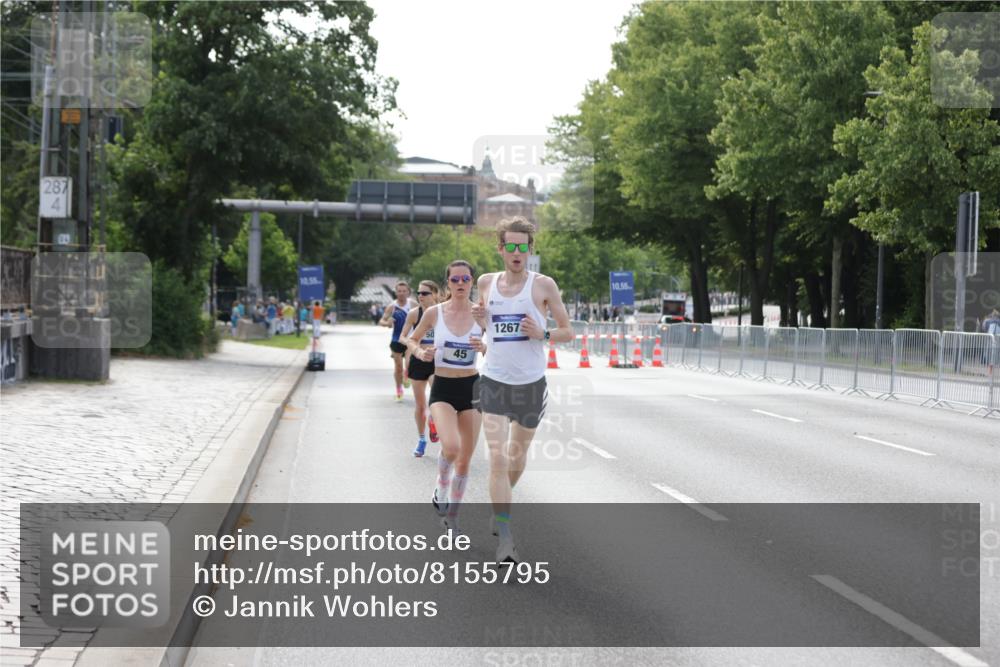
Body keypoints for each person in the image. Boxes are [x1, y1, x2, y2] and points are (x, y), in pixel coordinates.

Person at [472, 217, 572, 563]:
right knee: (497, 459)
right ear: (500, 249)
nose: (517, 252)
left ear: (530, 248)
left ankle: (503, 500)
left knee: (516, 456)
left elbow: (567, 331)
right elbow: (488, 328)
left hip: (530, 383)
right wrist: (481, 318)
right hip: (494, 380)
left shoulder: (544, 285)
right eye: (510, 246)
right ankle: (505, 538)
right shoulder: (486, 283)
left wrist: (541, 333)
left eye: (522, 246)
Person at [405, 261, 485, 534]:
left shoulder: (482, 314)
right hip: (443, 388)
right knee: (451, 448)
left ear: (472, 281)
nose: (460, 283)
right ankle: (441, 485)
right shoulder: (435, 313)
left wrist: (484, 346)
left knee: (465, 460)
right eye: (455, 280)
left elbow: (497, 347)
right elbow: (411, 340)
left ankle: (452, 518)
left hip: (472, 388)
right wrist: (420, 353)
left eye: (465, 278)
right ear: (448, 283)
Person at [399, 280, 442, 457]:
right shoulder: (413, 314)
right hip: (418, 358)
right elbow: (402, 337)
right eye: (419, 293)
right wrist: (413, 345)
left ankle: (434, 419)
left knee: (436, 398)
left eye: (425, 293)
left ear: (435, 294)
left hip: (436, 359)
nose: (420, 296)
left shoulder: (442, 312)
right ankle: (422, 438)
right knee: (419, 404)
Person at [379, 281, 416, 401]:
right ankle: (399, 389)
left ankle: (407, 375)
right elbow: (381, 321)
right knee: (398, 367)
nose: (401, 293)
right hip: (396, 340)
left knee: (409, 364)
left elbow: (423, 317)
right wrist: (387, 323)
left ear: (408, 292)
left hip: (410, 339)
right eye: (399, 291)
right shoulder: (392, 306)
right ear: (396, 292)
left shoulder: (413, 304)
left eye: (404, 291)